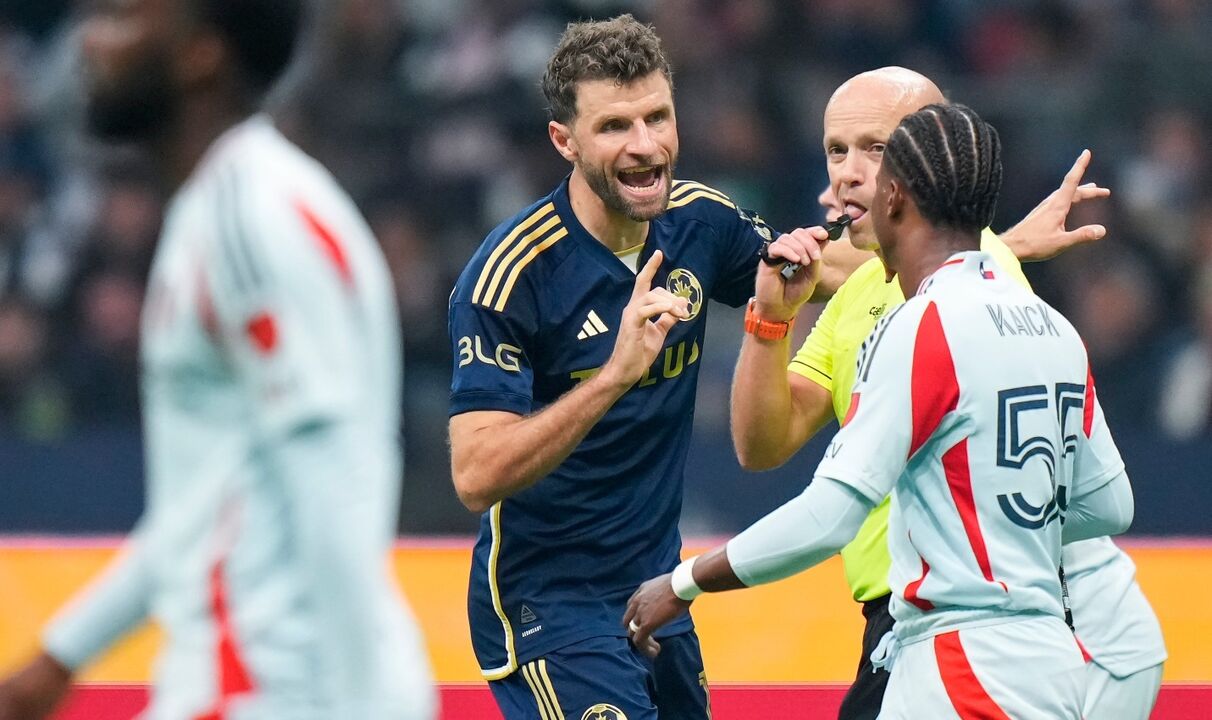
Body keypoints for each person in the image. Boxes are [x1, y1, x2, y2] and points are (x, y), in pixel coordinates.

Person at [625, 102, 1136, 719]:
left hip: (956, 668)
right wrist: (999, 533)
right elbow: (1110, 504)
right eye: (836, 150)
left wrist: (682, 583)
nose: (843, 182)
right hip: (1054, 665)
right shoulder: (1055, 328)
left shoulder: (917, 327)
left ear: (894, 197)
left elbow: (829, 516)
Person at [0, 0, 436, 718]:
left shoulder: (251, 217)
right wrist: (60, 658)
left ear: (200, 54)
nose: (90, 42)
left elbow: (336, 484)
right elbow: (204, 509)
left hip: (278, 690)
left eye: (124, 17)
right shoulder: (217, 210)